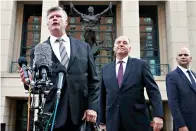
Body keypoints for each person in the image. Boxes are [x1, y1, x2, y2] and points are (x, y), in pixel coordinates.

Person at [18, 6, 99, 131]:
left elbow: (94, 81)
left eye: (58, 16)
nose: (55, 18)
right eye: (51, 17)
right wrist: (27, 82)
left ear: (66, 22)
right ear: (48, 24)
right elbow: (36, 82)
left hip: (81, 114)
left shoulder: (84, 47)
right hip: (51, 115)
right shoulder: (39, 50)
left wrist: (92, 107)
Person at [98, 36, 164, 131]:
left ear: (129, 49)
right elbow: (102, 97)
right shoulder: (105, 69)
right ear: (114, 48)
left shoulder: (141, 65)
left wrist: (158, 115)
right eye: (118, 42)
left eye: (125, 43)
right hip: (113, 122)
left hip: (137, 121)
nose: (121, 44)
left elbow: (153, 91)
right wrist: (101, 121)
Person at [166, 47, 196, 131]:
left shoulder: (194, 75)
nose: (183, 56)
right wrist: (181, 125)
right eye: (180, 55)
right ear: (176, 59)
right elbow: (173, 102)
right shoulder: (172, 76)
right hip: (185, 126)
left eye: (186, 55)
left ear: (190, 59)